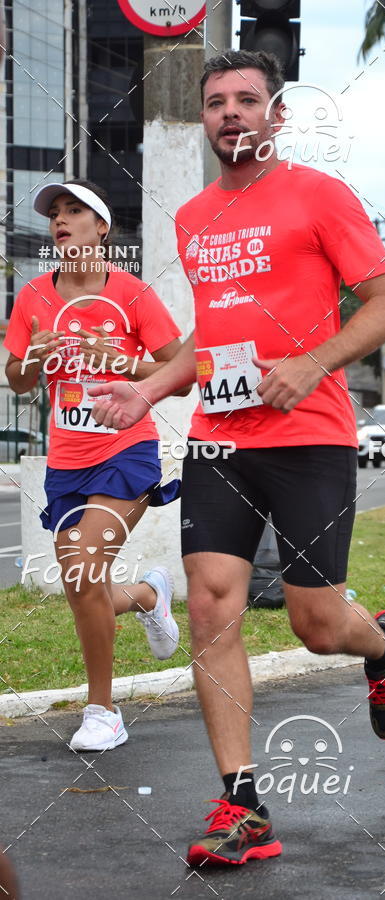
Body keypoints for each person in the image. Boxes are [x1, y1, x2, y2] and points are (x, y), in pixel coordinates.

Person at [90, 50, 385, 864]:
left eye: (246, 100)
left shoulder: (319, 196)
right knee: (210, 605)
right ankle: (242, 806)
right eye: (216, 103)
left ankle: (381, 645)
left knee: (313, 624)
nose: (230, 113)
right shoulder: (195, 217)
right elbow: (213, 333)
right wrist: (152, 387)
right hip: (221, 436)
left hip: (311, 434)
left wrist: (313, 362)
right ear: (204, 120)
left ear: (276, 116)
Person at [5, 179, 187, 752]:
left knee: (83, 570)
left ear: (101, 228)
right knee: (84, 585)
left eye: (74, 211)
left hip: (125, 452)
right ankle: (149, 596)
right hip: (67, 462)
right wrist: (33, 356)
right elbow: (17, 381)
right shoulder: (34, 295)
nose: (61, 220)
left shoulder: (131, 292)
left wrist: (125, 362)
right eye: (55, 213)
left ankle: (103, 710)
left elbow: (184, 370)